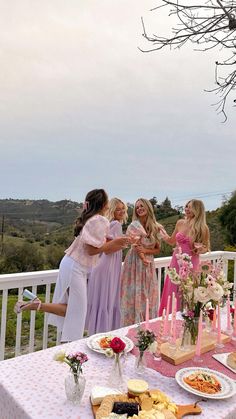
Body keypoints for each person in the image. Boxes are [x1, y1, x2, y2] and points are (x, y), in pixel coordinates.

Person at [14, 189, 129, 342]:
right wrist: (114, 243)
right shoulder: (100, 221)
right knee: (79, 313)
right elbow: (91, 250)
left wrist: (112, 243)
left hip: (71, 264)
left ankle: (33, 305)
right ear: (104, 204)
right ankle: (74, 353)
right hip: (76, 267)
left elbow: (93, 245)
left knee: (71, 309)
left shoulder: (92, 219)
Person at [159, 199, 210, 315]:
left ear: (197, 210)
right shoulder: (180, 223)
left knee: (187, 292)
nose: (187, 209)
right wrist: (162, 233)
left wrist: (201, 249)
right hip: (176, 263)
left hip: (192, 265)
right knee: (173, 290)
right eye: (186, 206)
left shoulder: (203, 228)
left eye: (190, 207)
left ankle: (186, 320)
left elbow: (206, 248)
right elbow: (171, 241)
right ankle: (169, 319)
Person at [86, 198, 128, 335]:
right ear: (112, 210)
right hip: (108, 265)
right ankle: (106, 333)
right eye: (118, 209)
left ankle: (97, 332)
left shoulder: (109, 224)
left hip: (103, 264)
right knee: (107, 299)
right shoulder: (115, 224)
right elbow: (108, 249)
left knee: (101, 299)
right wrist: (125, 243)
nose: (121, 211)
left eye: (123, 208)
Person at [120, 198, 162, 326]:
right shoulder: (134, 226)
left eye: (142, 206)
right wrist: (142, 252)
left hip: (148, 264)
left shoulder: (156, 227)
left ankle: (147, 325)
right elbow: (136, 247)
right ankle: (132, 325)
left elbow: (158, 249)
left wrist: (146, 251)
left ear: (148, 207)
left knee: (149, 294)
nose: (139, 209)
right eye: (137, 207)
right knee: (133, 293)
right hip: (134, 263)